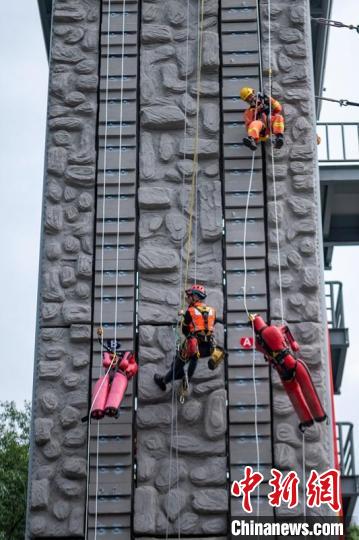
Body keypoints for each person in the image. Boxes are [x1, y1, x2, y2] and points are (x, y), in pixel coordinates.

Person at [249, 314, 327, 432]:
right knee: (307, 389)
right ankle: (319, 416)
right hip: (291, 363)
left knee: (295, 396)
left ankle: (307, 420)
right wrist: (293, 343)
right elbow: (284, 329)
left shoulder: (258, 343)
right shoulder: (271, 330)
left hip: (282, 371)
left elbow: (267, 353)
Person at [154, 285, 221, 392]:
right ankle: (183, 376)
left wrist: (184, 318)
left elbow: (185, 330)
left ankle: (164, 381)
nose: (187, 298)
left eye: (189, 296)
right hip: (208, 347)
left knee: (179, 362)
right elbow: (209, 323)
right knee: (193, 357)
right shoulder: (212, 310)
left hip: (193, 346)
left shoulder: (191, 311)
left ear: (195, 297)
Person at [239, 86, 285, 151]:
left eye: (251, 95)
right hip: (261, 130)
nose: (251, 98)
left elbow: (278, 108)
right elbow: (249, 125)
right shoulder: (248, 111)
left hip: (269, 125)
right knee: (255, 123)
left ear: (253, 93)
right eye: (248, 98)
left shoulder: (265, 101)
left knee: (279, 117)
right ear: (246, 101)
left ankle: (279, 137)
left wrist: (269, 99)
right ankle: (251, 139)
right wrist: (258, 110)